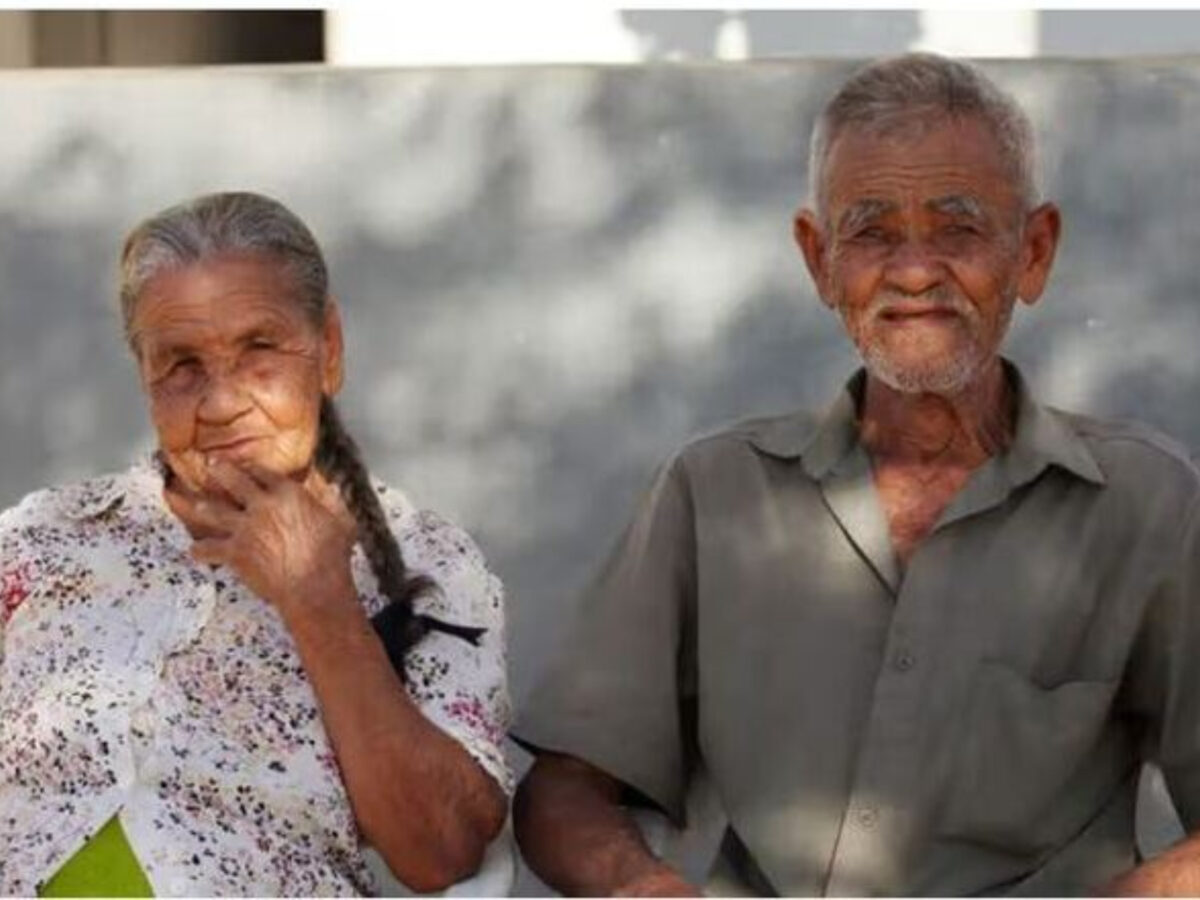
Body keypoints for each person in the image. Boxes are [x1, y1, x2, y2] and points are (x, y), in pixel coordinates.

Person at [512, 53, 1200, 896]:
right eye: (872, 231)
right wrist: (644, 888)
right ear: (820, 260)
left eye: (959, 229)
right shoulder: (715, 493)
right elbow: (564, 791)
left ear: (1033, 251)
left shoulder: (1148, 508)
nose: (914, 271)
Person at [0, 191, 511, 896]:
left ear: (327, 351)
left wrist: (317, 597)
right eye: (180, 365)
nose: (220, 403)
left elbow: (441, 848)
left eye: (259, 350)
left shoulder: (424, 562)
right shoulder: (42, 539)